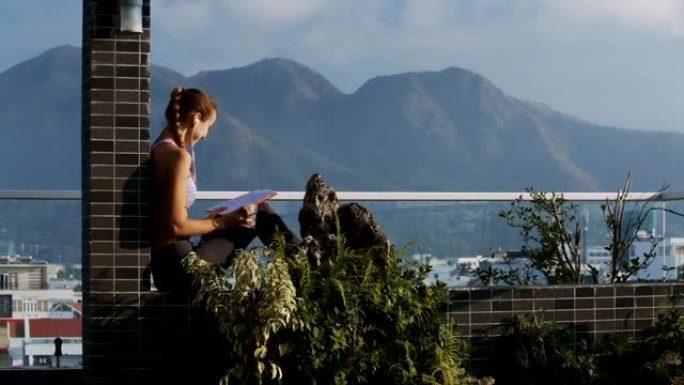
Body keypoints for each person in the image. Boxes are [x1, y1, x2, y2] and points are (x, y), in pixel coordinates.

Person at [149, 86, 298, 293]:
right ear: (196, 119)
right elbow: (174, 227)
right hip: (179, 266)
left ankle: (304, 264)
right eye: (208, 126)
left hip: (167, 264)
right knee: (258, 211)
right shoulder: (178, 157)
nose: (205, 136)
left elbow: (169, 222)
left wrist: (219, 219)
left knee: (251, 211)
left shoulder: (159, 149)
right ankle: (307, 267)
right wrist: (222, 222)